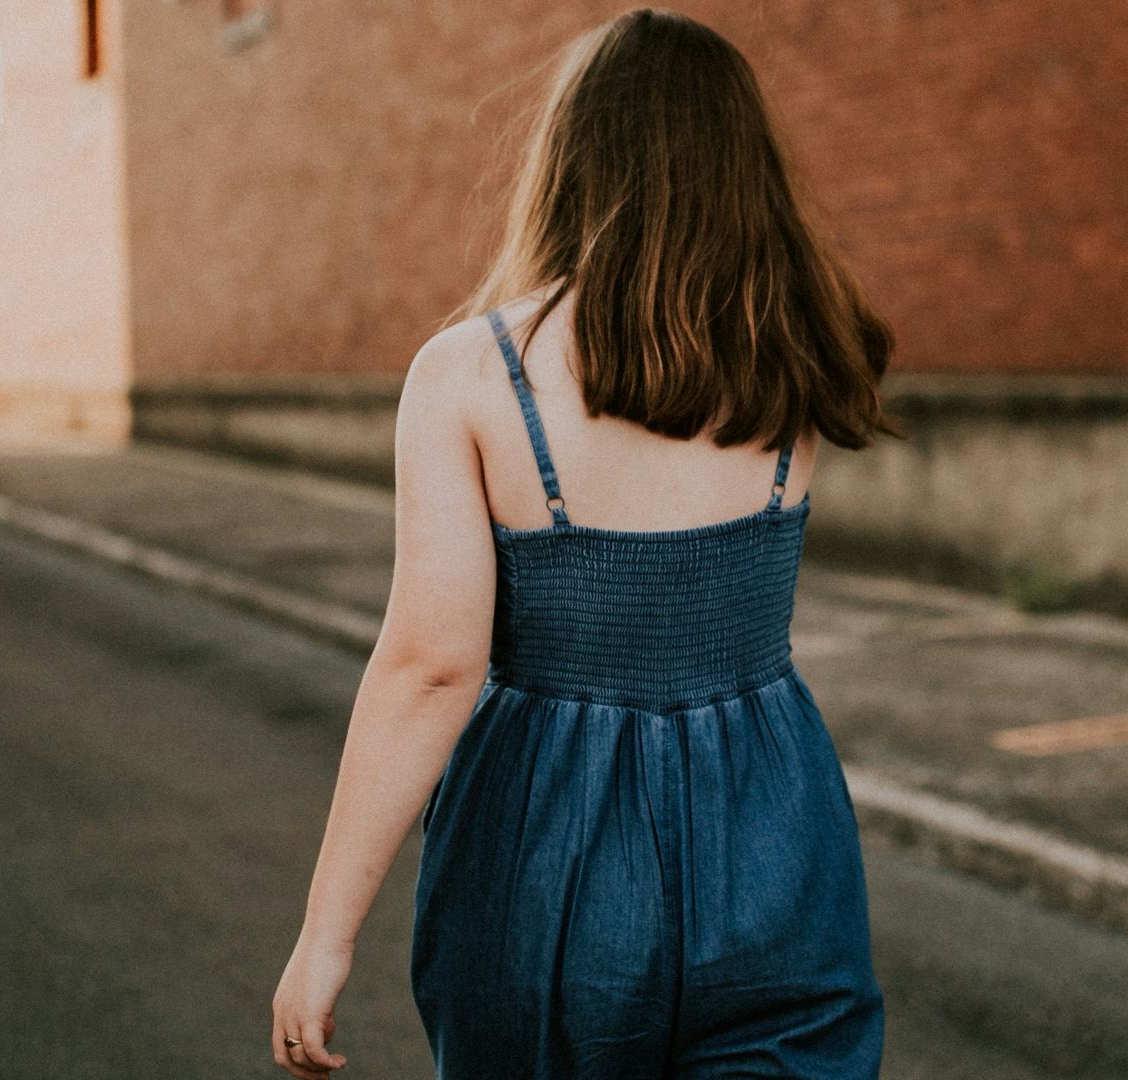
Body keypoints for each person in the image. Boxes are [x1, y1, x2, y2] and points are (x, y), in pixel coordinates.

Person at [271, 8, 899, 1077]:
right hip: (775, 837)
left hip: (543, 854)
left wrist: (323, 941)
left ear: (569, 163)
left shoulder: (470, 377)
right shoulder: (802, 350)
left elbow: (432, 665)